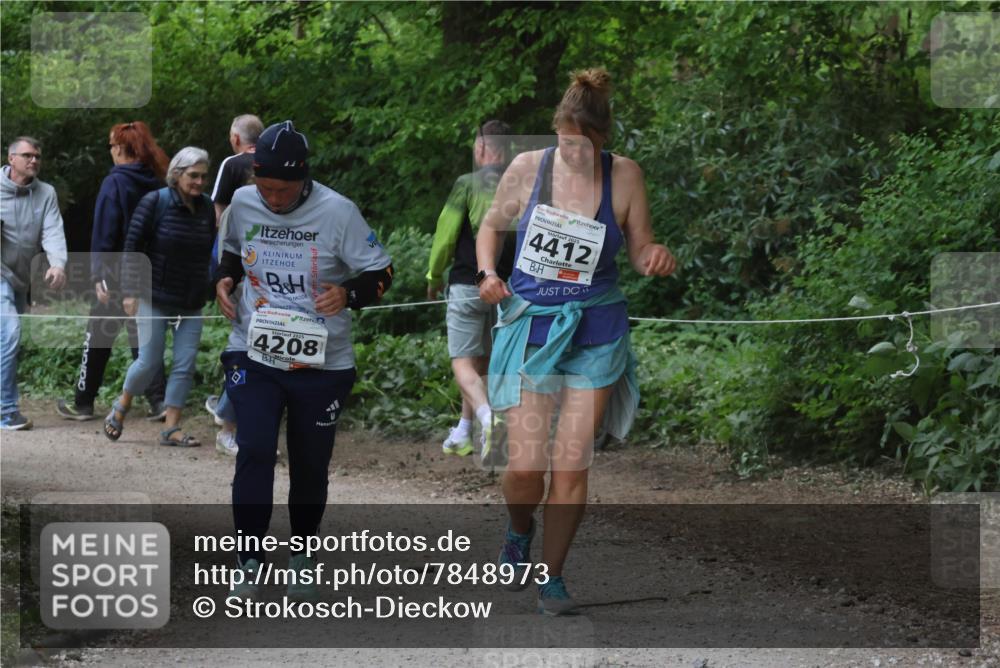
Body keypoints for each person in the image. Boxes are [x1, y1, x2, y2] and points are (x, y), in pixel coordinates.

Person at [476, 68, 677, 615]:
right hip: (532, 327)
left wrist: (652, 256)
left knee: (570, 463)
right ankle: (519, 531)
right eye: (563, 141)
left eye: (582, 145)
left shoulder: (626, 177)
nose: (571, 153)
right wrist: (488, 273)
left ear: (602, 139)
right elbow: (490, 226)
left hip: (595, 329)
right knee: (524, 468)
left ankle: (553, 576)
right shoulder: (526, 167)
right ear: (554, 132)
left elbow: (639, 249)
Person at [215, 121, 393, 602]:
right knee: (253, 448)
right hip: (254, 348)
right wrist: (225, 281)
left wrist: (348, 292)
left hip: (323, 359)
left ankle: (302, 553)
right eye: (264, 186)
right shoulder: (244, 202)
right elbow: (229, 254)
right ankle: (248, 557)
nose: (272, 198)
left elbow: (383, 271)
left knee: (310, 464)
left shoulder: (338, 211)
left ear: (304, 179)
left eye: (283, 189)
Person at [56, 122, 169, 422]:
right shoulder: (158, 182)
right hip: (149, 271)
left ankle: (83, 402)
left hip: (116, 274)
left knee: (98, 336)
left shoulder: (115, 182)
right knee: (144, 336)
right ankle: (159, 402)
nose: (111, 150)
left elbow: (104, 232)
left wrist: (98, 276)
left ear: (120, 148)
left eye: (111, 145)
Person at [103, 147, 216, 446]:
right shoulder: (155, 202)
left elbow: (208, 253)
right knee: (149, 363)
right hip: (154, 296)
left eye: (204, 176)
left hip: (190, 302)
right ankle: (123, 404)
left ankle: (171, 427)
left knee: (184, 364)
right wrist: (128, 292)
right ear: (177, 174)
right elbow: (132, 248)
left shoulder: (206, 207)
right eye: (193, 175)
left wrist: (213, 283)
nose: (199, 182)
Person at [426, 120, 513, 457]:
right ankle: (464, 432)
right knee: (484, 364)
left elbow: (445, 237)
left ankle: (488, 418)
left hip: (468, 283)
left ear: (480, 148)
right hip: (506, 289)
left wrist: (433, 276)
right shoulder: (520, 184)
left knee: (462, 363)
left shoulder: (467, 184)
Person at [204, 114, 264, 456]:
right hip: (250, 266)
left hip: (238, 261)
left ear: (234, 138)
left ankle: (228, 414)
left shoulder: (233, 162)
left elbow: (219, 214)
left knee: (249, 343)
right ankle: (229, 418)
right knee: (248, 344)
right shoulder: (273, 162)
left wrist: (221, 268)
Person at [1, 137, 68, 430]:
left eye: (37, 156)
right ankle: (6, 411)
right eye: (27, 155)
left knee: (7, 340)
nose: (34, 161)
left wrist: (57, 264)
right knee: (10, 334)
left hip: (20, 279)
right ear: (11, 158)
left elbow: (52, 230)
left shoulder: (46, 193)